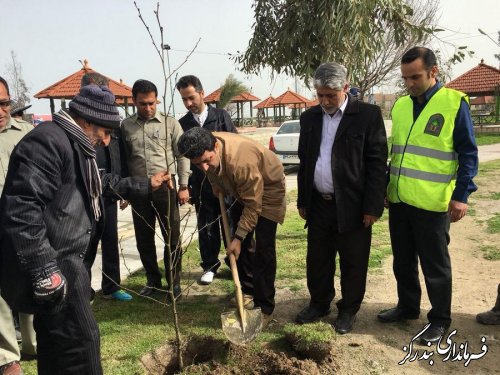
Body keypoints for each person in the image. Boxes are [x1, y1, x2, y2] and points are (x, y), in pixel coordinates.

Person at [0, 84, 172, 374]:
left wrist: (143, 184)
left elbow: (97, 184)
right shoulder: (48, 142)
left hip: (68, 264)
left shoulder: (75, 144)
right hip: (57, 266)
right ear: (88, 121)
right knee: (82, 347)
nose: (106, 141)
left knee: (59, 348)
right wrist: (45, 271)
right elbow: (21, 208)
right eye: (105, 132)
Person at [378, 47, 478, 344]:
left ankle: (439, 320)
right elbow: (396, 151)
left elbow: (468, 153)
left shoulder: (453, 104)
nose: (409, 83)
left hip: (433, 204)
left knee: (435, 266)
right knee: (403, 261)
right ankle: (408, 307)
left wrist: (462, 195)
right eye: (405, 78)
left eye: (415, 77)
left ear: (434, 72)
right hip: (399, 200)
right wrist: (387, 186)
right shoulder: (400, 106)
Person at [295, 62, 388, 334]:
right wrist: (303, 200)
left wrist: (372, 206)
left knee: (353, 261)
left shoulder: (368, 116)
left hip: (353, 206)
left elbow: (376, 164)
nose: (324, 101)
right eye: (319, 95)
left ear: (345, 88)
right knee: (318, 259)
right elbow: (305, 161)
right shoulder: (309, 118)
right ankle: (319, 303)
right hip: (319, 204)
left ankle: (348, 310)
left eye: (330, 95)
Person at [178, 127, 286, 327]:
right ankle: (247, 290)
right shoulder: (207, 148)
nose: (203, 167)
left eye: (206, 160)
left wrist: (238, 237)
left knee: (263, 249)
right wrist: (215, 183)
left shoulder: (241, 162)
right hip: (237, 186)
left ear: (216, 147)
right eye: (197, 164)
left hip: (269, 187)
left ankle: (265, 306)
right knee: (241, 247)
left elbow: (254, 205)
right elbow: (211, 170)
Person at [121, 79, 190, 298]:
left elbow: (182, 155)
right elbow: (123, 160)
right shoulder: (126, 126)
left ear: (157, 100)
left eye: (152, 103)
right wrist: (124, 191)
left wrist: (184, 185)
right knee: (144, 238)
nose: (148, 108)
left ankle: (174, 282)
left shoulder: (171, 124)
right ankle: (153, 280)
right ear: (134, 101)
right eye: (143, 104)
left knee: (172, 236)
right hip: (139, 190)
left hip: (166, 189)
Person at [176, 75, 237, 285]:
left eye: (191, 97)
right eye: (184, 99)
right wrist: (184, 185)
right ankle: (210, 266)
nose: (189, 103)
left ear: (202, 93)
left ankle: (235, 262)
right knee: (207, 227)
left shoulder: (220, 116)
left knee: (230, 224)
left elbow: (233, 145)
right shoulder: (183, 123)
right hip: (201, 185)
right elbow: (182, 157)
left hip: (225, 183)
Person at [80, 72, 132, 302]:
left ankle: (111, 286)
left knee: (110, 239)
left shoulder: (115, 129)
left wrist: (125, 190)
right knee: (86, 244)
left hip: (110, 193)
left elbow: (123, 158)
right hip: (84, 196)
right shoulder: (78, 131)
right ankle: (84, 290)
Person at [0, 76, 35, 375]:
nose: (0, 110)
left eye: (4, 103)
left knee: (30, 280)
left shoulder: (27, 134)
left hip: (25, 224)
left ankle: (33, 344)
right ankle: (7, 358)